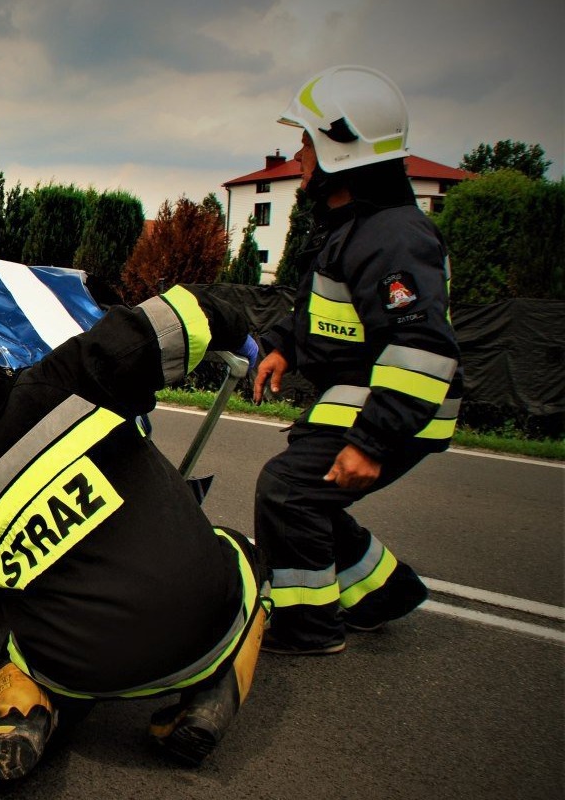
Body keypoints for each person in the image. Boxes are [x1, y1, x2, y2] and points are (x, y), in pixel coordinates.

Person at [0, 285, 267, 791]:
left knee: (18, 647)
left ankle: (17, 713)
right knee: (241, 552)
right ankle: (215, 688)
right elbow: (170, 317)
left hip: (85, 666)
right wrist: (235, 328)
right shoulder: (61, 383)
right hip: (201, 621)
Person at [252, 65, 462, 655]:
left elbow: (421, 345)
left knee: (289, 492)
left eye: (305, 142)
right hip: (355, 396)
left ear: (338, 149)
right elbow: (323, 311)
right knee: (309, 493)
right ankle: (381, 595)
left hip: (395, 408)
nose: (297, 156)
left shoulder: (394, 236)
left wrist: (372, 442)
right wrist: (284, 347)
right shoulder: (352, 227)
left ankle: (308, 628)